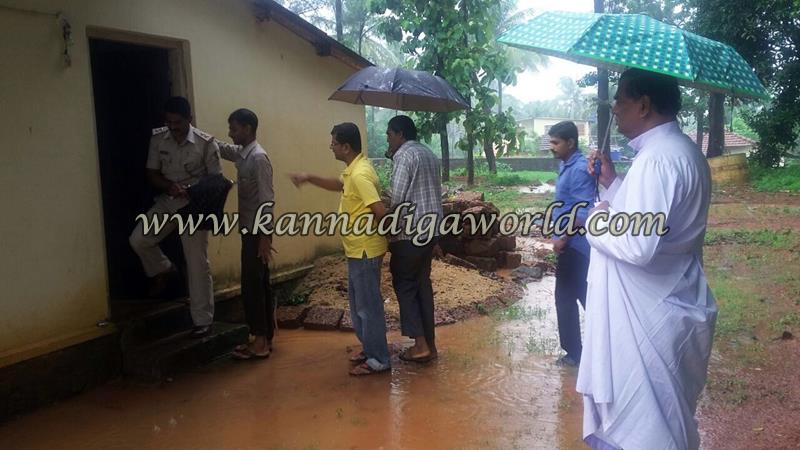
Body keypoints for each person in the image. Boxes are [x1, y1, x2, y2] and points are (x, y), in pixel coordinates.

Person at [578, 68, 716, 449]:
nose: (614, 108)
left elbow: (638, 243)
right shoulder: (684, 153)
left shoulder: (657, 160)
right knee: (661, 420)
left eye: (620, 99)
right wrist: (613, 182)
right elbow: (655, 220)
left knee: (642, 427)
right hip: (667, 300)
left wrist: (596, 221)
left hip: (645, 317)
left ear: (643, 105)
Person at [289, 123, 391, 376]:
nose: (330, 146)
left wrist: (387, 240)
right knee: (359, 306)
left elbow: (380, 211)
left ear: (346, 147)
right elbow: (339, 185)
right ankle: (370, 349)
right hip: (357, 249)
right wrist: (309, 178)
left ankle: (379, 359)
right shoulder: (354, 170)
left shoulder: (359, 175)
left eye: (333, 143)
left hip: (365, 250)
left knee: (368, 307)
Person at [129, 96, 221, 338]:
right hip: (168, 202)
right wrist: (169, 186)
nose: (173, 126)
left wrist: (194, 191)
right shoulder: (158, 139)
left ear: (189, 119)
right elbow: (152, 173)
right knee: (139, 239)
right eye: (169, 122)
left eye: (177, 122)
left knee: (197, 263)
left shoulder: (205, 143)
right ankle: (165, 269)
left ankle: (203, 321)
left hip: (194, 207)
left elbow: (216, 181)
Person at [215, 109, 276, 360]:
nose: (230, 133)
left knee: (252, 286)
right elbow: (223, 148)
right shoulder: (243, 153)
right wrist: (195, 134)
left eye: (234, 128)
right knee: (259, 283)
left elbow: (267, 200)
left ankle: (260, 342)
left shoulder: (258, 158)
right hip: (250, 230)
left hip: (256, 232)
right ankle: (265, 337)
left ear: (248, 129)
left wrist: (264, 238)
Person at [385, 115, 443, 363]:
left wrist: (389, 229)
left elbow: (398, 199)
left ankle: (419, 346)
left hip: (409, 234)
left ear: (400, 134)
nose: (387, 139)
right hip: (430, 232)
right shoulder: (429, 154)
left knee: (405, 285)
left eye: (389, 134)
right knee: (422, 286)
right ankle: (430, 344)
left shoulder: (404, 155)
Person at [547, 121, 595, 368]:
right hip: (573, 245)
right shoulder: (568, 164)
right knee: (582, 296)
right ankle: (599, 348)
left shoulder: (577, 169)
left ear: (570, 143)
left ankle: (576, 354)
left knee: (566, 298)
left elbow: (583, 211)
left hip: (575, 246)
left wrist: (562, 238)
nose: (551, 147)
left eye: (555, 142)